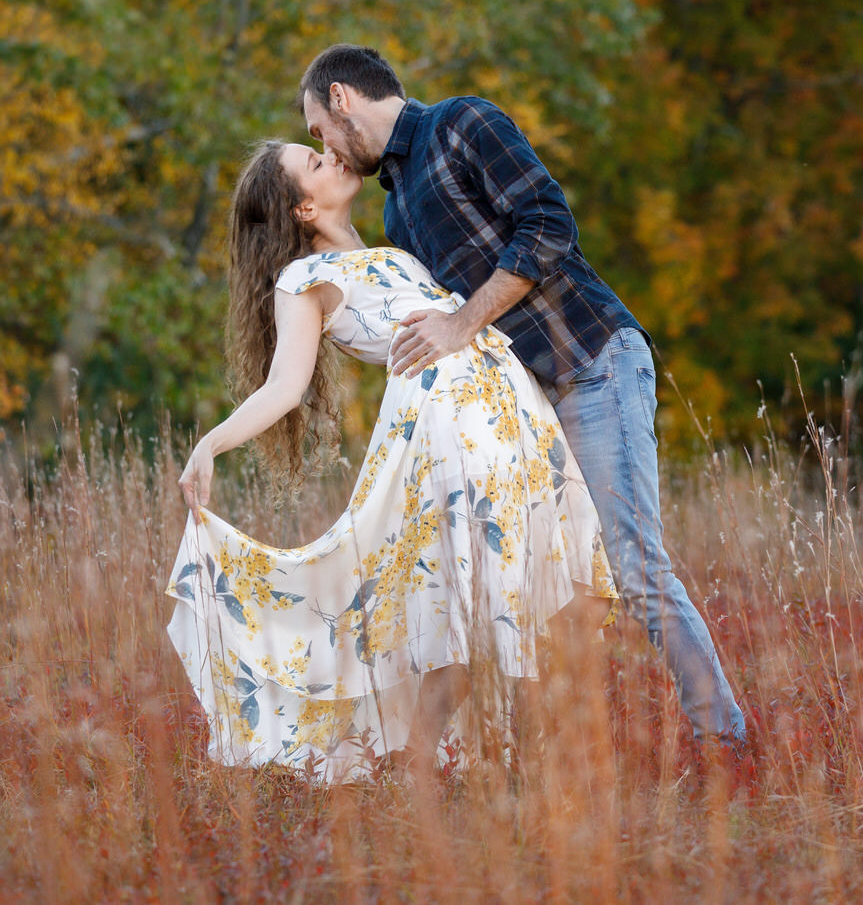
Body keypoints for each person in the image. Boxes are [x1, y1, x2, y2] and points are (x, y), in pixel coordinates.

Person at [297, 44, 748, 752]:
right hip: (529, 410)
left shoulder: (463, 122)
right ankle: (540, 759)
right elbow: (403, 298)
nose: (320, 141)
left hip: (593, 363)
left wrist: (460, 322)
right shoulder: (397, 211)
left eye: (318, 127)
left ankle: (727, 740)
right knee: (541, 580)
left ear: (342, 96)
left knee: (634, 566)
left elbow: (549, 227)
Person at [167, 139, 617, 785]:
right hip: (449, 420)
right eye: (315, 163)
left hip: (510, 404)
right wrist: (210, 442)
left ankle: (512, 756)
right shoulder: (306, 279)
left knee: (564, 585)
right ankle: (456, 766)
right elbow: (283, 386)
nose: (332, 157)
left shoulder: (391, 248)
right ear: (301, 207)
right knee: (477, 598)